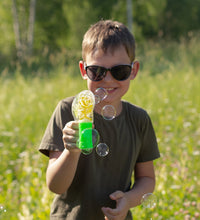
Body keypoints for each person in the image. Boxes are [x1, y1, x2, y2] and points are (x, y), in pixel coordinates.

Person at [39, 19, 160, 220]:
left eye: (120, 71)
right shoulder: (68, 111)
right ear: (83, 70)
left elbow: (146, 179)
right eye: (97, 71)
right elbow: (55, 186)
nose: (108, 80)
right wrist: (71, 151)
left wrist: (129, 200)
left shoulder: (138, 119)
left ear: (134, 70)